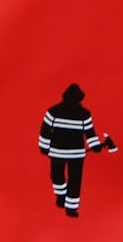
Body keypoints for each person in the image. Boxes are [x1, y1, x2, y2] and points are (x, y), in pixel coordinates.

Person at [39, 83, 105, 218]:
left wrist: (44, 147)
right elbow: (90, 134)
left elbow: (45, 131)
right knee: (73, 179)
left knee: (59, 176)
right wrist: (96, 146)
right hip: (73, 153)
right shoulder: (81, 113)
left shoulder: (54, 111)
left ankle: (65, 202)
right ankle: (68, 204)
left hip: (63, 152)